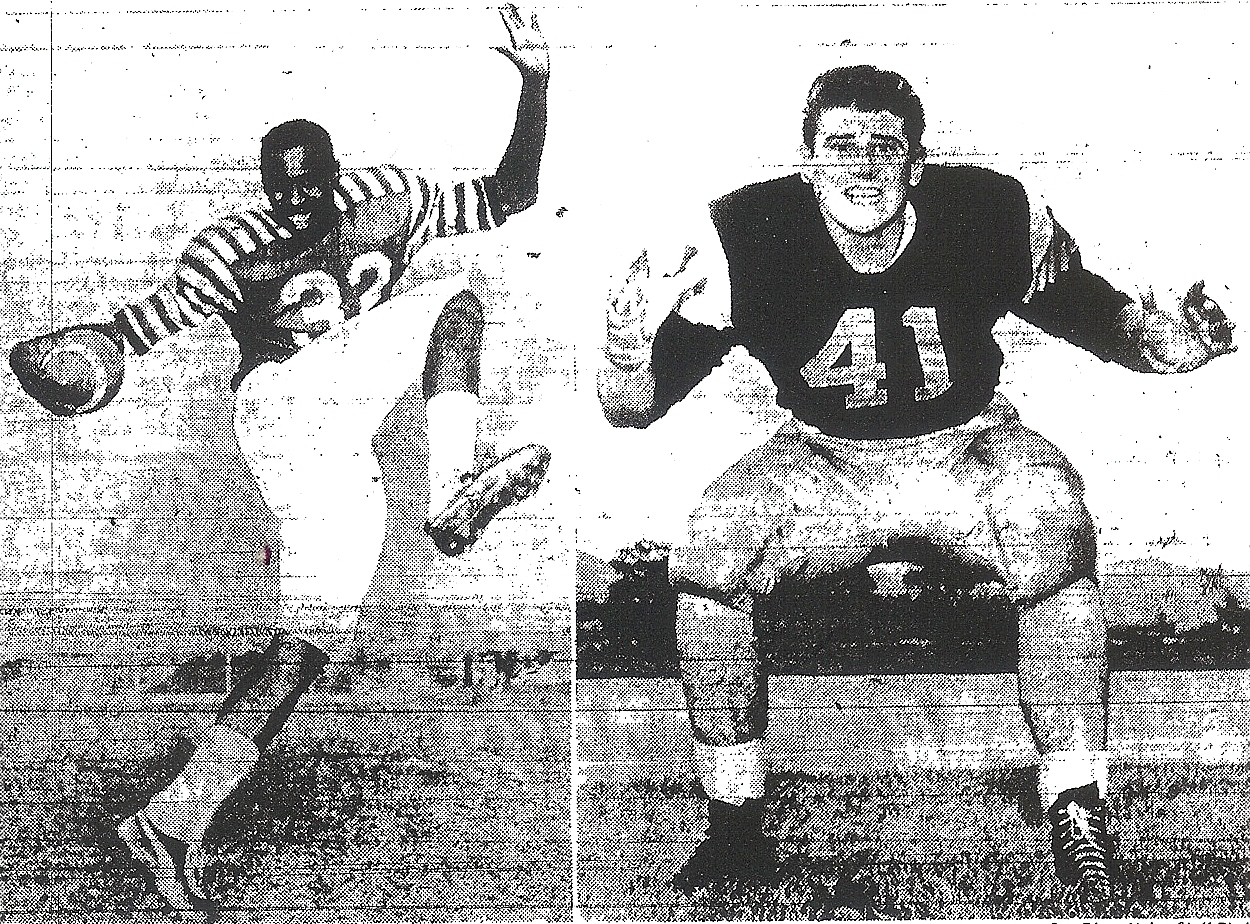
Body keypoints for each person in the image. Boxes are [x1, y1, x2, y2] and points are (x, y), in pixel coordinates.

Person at [597, 64, 1235, 904]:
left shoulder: (986, 215)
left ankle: (1077, 809)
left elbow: (1094, 312)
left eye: (884, 149)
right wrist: (621, 346)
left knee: (1052, 525)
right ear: (806, 162)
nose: (862, 168)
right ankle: (735, 824)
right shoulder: (747, 235)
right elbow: (632, 410)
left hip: (966, 445)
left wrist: (1164, 343)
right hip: (824, 457)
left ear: (918, 166)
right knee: (713, 553)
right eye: (840, 149)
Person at [9, 6, 550, 911]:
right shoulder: (231, 246)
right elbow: (143, 325)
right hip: (281, 405)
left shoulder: (388, 194)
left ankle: (170, 819)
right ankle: (458, 477)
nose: (296, 204)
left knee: (307, 645)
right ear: (266, 186)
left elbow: (508, 198)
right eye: (281, 191)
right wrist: (87, 355)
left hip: (333, 451)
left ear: (333, 175)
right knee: (455, 298)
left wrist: (537, 85)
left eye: (309, 187)